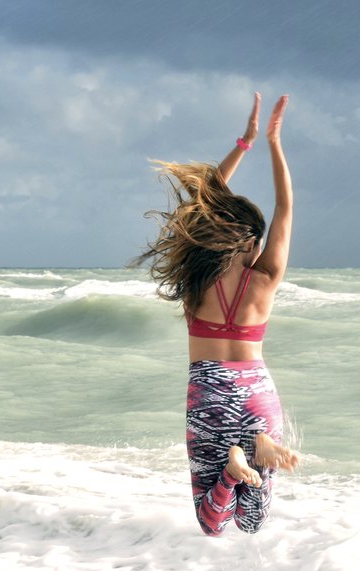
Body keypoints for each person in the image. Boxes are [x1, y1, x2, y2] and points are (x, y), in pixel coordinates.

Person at [134, 93, 300, 537]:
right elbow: (285, 208)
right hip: (258, 393)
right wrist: (275, 144)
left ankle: (233, 469)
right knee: (251, 524)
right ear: (255, 243)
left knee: (213, 525)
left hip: (209, 392)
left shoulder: (195, 277)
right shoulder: (267, 278)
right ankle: (258, 451)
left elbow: (201, 201)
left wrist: (245, 143)